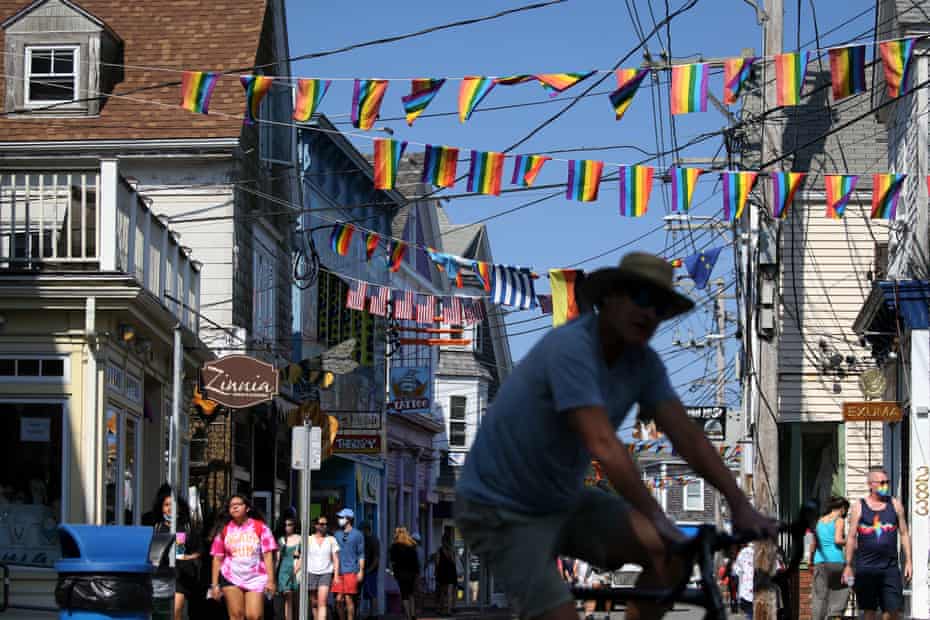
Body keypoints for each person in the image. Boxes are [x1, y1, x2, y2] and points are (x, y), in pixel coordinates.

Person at [455, 252, 775, 620]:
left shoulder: (644, 365)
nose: (649, 313)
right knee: (560, 614)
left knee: (672, 554)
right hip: (498, 504)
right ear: (609, 297)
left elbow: (687, 435)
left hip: (562, 500)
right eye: (640, 298)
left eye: (659, 306)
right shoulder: (572, 348)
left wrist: (739, 503)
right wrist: (657, 517)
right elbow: (603, 445)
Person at [842, 467, 912, 620]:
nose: (885, 485)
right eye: (881, 482)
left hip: (890, 568)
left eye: (887, 482)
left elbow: (904, 533)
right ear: (870, 484)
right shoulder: (859, 506)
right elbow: (852, 537)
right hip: (866, 569)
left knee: (893, 611)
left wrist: (908, 561)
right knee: (869, 612)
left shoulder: (895, 505)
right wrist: (847, 565)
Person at [208, 494, 277, 620]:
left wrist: (271, 581)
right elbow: (217, 559)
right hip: (231, 576)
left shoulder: (261, 527)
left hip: (256, 578)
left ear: (247, 508)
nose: (234, 508)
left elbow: (268, 555)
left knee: (254, 616)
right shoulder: (224, 530)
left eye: (238, 505)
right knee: (236, 616)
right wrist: (214, 585)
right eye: (231, 506)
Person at [150, 488, 202, 620]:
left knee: (175, 611)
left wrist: (190, 557)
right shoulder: (156, 527)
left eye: (173, 504)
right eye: (166, 505)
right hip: (159, 575)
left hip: (180, 575)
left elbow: (196, 551)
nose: (169, 508)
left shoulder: (185, 527)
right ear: (161, 508)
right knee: (160, 612)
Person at [808, 496, 850, 620]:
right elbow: (837, 540)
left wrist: (810, 560)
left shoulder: (819, 521)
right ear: (842, 508)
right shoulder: (839, 520)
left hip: (820, 562)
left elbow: (813, 544)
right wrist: (850, 540)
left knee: (819, 596)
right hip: (836, 562)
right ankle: (835, 616)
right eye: (846, 509)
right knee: (840, 591)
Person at [294, 516, 340, 620]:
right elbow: (302, 558)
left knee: (322, 602)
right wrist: (294, 571)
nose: (325, 526)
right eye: (322, 524)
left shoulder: (331, 539)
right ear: (316, 525)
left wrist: (336, 576)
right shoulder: (308, 539)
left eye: (326, 524)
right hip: (310, 573)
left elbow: (336, 559)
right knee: (314, 603)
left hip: (326, 574)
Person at [332, 508, 365, 620]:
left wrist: (361, 571)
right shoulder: (336, 534)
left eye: (342, 517)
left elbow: (361, 554)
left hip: (351, 571)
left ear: (349, 519)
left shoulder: (358, 535)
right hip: (339, 571)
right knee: (338, 600)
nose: (339, 519)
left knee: (348, 598)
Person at [390, 527, 420, 620]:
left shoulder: (395, 546)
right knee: (411, 594)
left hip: (401, 573)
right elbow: (416, 562)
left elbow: (392, 561)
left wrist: (394, 572)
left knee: (404, 595)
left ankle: (408, 616)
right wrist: (417, 573)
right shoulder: (412, 545)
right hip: (412, 573)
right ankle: (413, 614)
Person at [276, 517, 301, 620]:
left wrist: (296, 570)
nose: (287, 527)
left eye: (290, 524)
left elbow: (302, 557)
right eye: (285, 525)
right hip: (283, 571)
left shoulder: (300, 539)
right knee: (287, 597)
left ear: (294, 525)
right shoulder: (281, 540)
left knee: (296, 598)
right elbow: (277, 559)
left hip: (296, 569)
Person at [359, 522, 380, 619]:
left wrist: (369, 569)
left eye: (361, 530)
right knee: (367, 593)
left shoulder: (373, 540)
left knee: (372, 593)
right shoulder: (364, 540)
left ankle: (374, 614)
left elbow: (376, 558)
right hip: (365, 570)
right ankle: (371, 614)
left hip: (370, 571)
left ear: (366, 529)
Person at [435, 529, 457, 616]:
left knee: (442, 592)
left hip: (442, 572)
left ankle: (441, 609)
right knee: (449, 592)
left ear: (442, 541)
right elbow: (454, 562)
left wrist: (436, 571)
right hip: (451, 572)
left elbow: (437, 562)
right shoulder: (452, 550)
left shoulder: (439, 550)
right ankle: (448, 611)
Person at [732, 543, 753, 619]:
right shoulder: (766, 550)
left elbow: (736, 571)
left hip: (746, 591)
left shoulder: (743, 553)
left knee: (750, 614)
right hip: (761, 590)